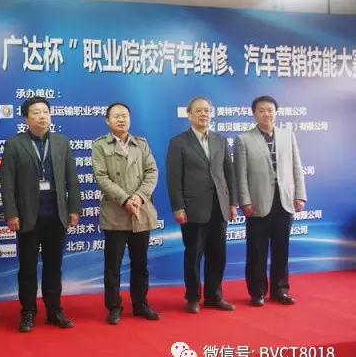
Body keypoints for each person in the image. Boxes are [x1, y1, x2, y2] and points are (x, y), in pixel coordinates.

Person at [0, 97, 81, 332]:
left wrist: (74, 208)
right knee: (27, 268)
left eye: (45, 111)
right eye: (36, 112)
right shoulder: (15, 144)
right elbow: (7, 182)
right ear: (26, 118)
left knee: (54, 267)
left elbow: (72, 179)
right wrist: (11, 213)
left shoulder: (61, 142)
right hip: (27, 217)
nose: (42, 116)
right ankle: (28, 312)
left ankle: (54, 310)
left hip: (56, 215)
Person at [166, 97, 238, 314]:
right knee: (194, 255)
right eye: (198, 110)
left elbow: (229, 174)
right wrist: (179, 207)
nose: (203, 114)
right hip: (193, 208)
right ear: (189, 114)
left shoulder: (220, 140)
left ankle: (214, 296)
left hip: (219, 207)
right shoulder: (179, 142)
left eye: (207, 110)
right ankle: (193, 297)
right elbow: (174, 179)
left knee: (218, 254)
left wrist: (232, 203)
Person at [92, 102, 160, 325]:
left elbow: (152, 171)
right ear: (107, 120)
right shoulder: (100, 145)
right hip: (115, 213)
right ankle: (114, 307)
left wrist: (139, 197)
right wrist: (125, 199)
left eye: (124, 116)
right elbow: (101, 177)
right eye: (116, 116)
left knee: (141, 264)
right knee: (113, 266)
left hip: (141, 212)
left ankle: (141, 304)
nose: (121, 119)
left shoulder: (141, 144)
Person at [234, 95, 306, 307]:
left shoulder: (287, 135)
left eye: (270, 110)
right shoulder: (243, 140)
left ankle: (280, 290)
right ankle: (257, 292)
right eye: (261, 110)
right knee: (257, 251)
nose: (266, 114)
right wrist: (245, 201)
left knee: (281, 249)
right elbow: (241, 175)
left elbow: (296, 167)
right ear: (254, 114)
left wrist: (300, 195)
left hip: (284, 201)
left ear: (276, 112)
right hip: (257, 203)